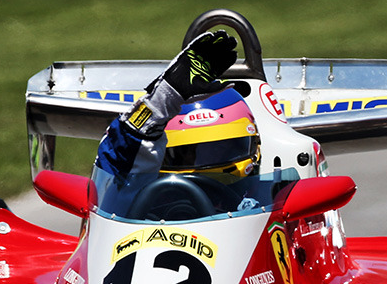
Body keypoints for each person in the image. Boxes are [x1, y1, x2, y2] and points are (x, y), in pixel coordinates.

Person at [93, 30, 275, 221]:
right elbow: (118, 167)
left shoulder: (269, 207)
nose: (206, 162)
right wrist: (161, 102)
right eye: (188, 152)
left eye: (220, 148)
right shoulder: (126, 210)